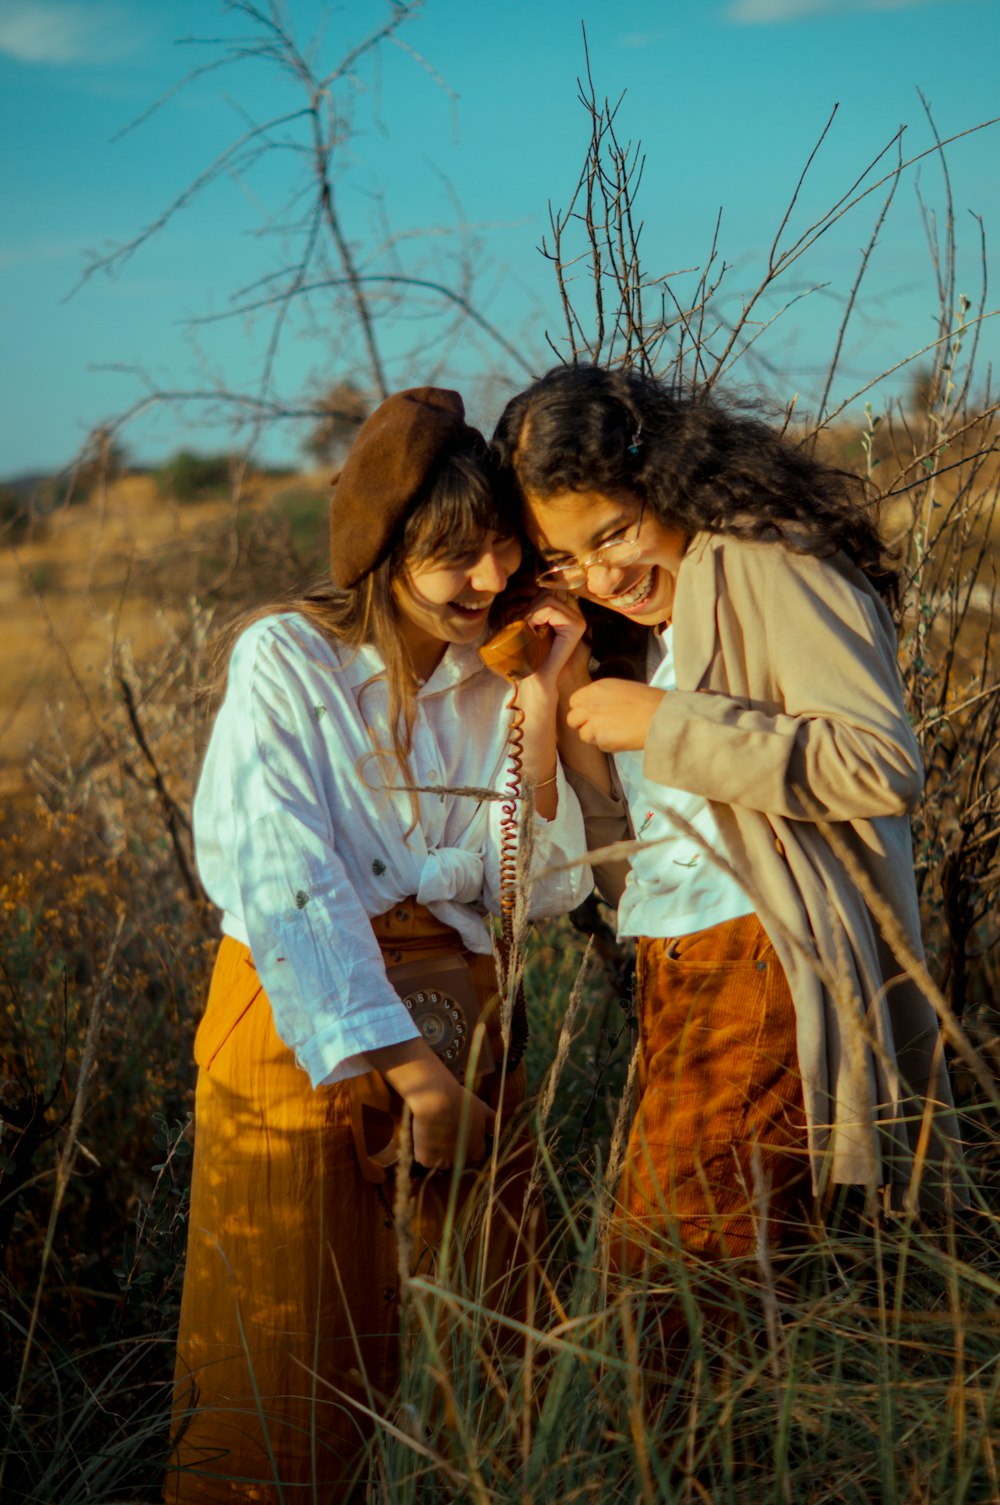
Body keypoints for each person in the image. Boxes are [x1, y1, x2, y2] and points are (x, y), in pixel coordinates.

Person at [167, 387, 591, 1502]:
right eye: (456, 553)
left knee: (479, 1348)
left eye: (505, 546)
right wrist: (415, 1073)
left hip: (470, 1025)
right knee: (291, 1344)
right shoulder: (287, 659)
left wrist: (542, 703)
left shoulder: (497, 673)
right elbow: (286, 879)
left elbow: (540, 885)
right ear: (385, 548)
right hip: (308, 1030)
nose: (492, 577)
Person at [492, 363, 963, 1283]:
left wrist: (665, 723)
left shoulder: (766, 557)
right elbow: (638, 843)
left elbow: (879, 762)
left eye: (616, 532)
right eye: (567, 559)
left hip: (758, 958)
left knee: (662, 1295)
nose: (603, 574)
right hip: (680, 970)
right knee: (715, 1297)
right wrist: (571, 685)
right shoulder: (649, 622)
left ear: (665, 475)